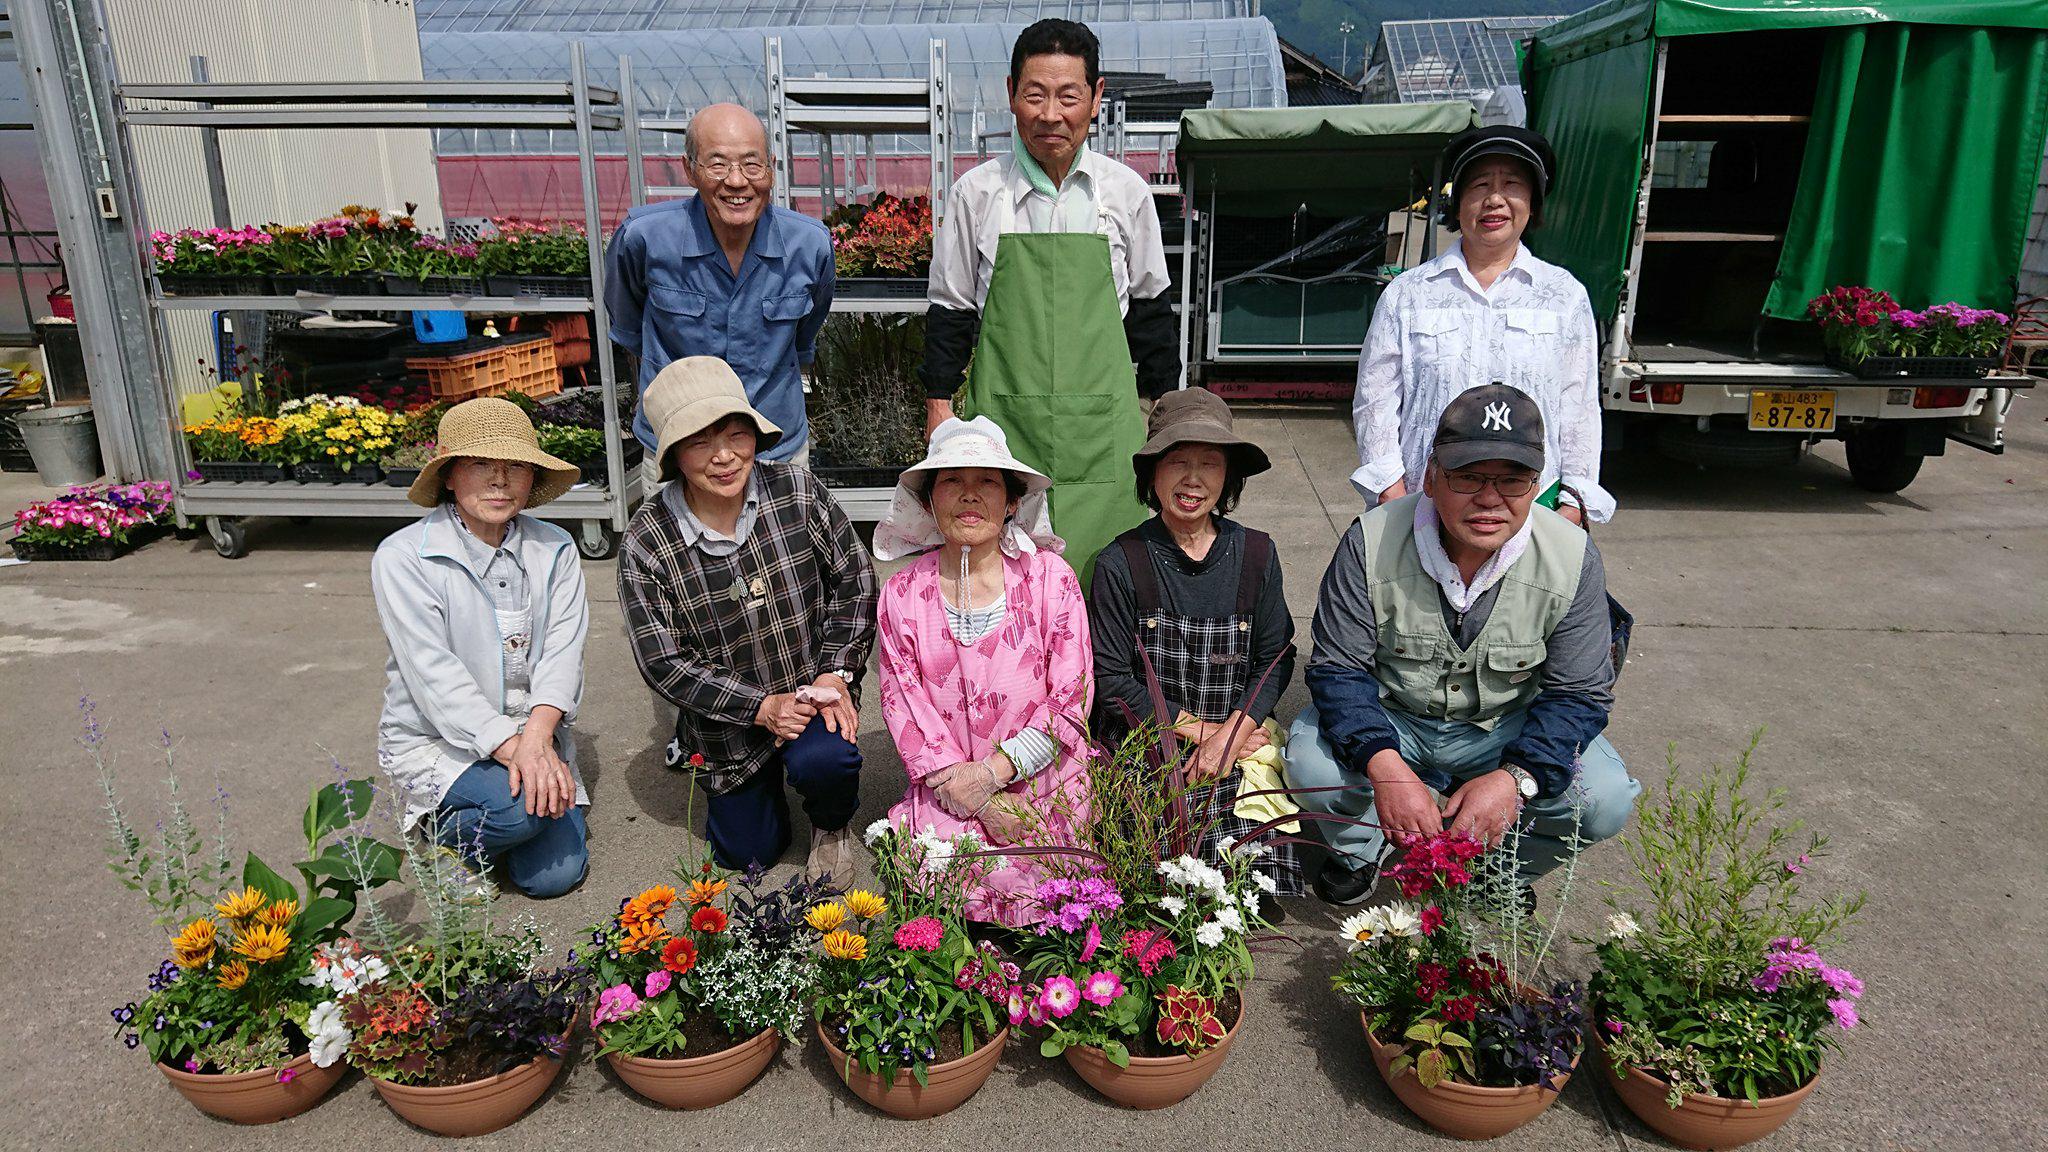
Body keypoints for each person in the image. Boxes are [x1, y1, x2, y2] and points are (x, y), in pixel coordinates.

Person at [1287, 385, 1639, 906]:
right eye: (1468, 475)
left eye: (1512, 479)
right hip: (1395, 716)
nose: (1490, 498)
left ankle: (1501, 871)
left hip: (1503, 725)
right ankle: (1359, 852)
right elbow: (1339, 671)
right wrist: (1385, 765)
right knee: (1309, 766)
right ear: (1430, 476)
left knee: (1604, 800)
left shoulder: (1573, 557)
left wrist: (1517, 779)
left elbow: (1580, 694)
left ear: (1537, 483)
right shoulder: (1370, 539)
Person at [921, 17, 1178, 584]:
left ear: (1097, 97)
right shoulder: (978, 194)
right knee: (1005, 578)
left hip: (1103, 426)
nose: (1050, 114)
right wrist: (940, 410)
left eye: (1069, 95)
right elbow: (950, 310)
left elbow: (1152, 312)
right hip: (1005, 419)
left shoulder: (1126, 193)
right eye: (1034, 95)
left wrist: (1167, 416)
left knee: (1110, 576)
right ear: (1011, 93)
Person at [618, 356, 877, 886]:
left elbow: (856, 578)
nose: (724, 457)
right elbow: (662, 662)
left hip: (811, 694)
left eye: (738, 434)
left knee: (827, 764)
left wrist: (835, 673)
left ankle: (831, 826)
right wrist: (760, 707)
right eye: (699, 442)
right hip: (728, 722)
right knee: (748, 855)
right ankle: (741, 782)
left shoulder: (798, 492)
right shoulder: (648, 539)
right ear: (672, 456)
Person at [871, 417, 1093, 928]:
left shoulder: (1049, 579)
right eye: (952, 481)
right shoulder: (902, 594)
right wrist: (975, 797)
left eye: (987, 482)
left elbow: (1070, 698)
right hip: (951, 781)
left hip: (1041, 773)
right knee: (943, 872)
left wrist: (993, 777)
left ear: (1012, 501)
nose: (969, 496)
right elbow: (906, 708)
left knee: (1054, 872)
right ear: (929, 501)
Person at [371, 398, 591, 898]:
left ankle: (494, 824)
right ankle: (440, 838)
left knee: (553, 877)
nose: (499, 480)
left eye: (514, 466)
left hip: (531, 729)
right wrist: (521, 752)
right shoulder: (404, 557)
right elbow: (435, 677)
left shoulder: (555, 547)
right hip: (440, 736)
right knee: (520, 811)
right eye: (480, 465)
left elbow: (563, 650)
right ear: (448, 475)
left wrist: (538, 740)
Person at [1087, 388, 1302, 897]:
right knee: (1154, 877)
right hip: (1151, 738)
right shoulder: (1121, 562)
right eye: (1178, 461)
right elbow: (1112, 680)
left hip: (1236, 732)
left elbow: (1276, 657)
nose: (1193, 479)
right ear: (1152, 474)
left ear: (1228, 476)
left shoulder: (1256, 553)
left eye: (1210, 463)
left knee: (1254, 884)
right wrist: (1198, 730)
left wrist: (1232, 731)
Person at [1351, 125, 1614, 525]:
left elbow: (1577, 409)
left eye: (1511, 184)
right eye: (1479, 186)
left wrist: (1573, 505)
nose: (1495, 199)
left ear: (1533, 203)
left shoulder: (1564, 296)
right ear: (1458, 205)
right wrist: (1393, 496)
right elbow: (1376, 401)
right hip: (1424, 505)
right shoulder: (1409, 293)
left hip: (1533, 508)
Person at [605, 103, 836, 492]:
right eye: (717, 165)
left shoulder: (809, 245)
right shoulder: (644, 239)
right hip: (677, 453)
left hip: (776, 449)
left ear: (771, 168)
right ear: (689, 168)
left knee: (782, 553)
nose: (736, 181)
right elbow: (629, 328)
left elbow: (804, 335)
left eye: (751, 165)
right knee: (676, 553)